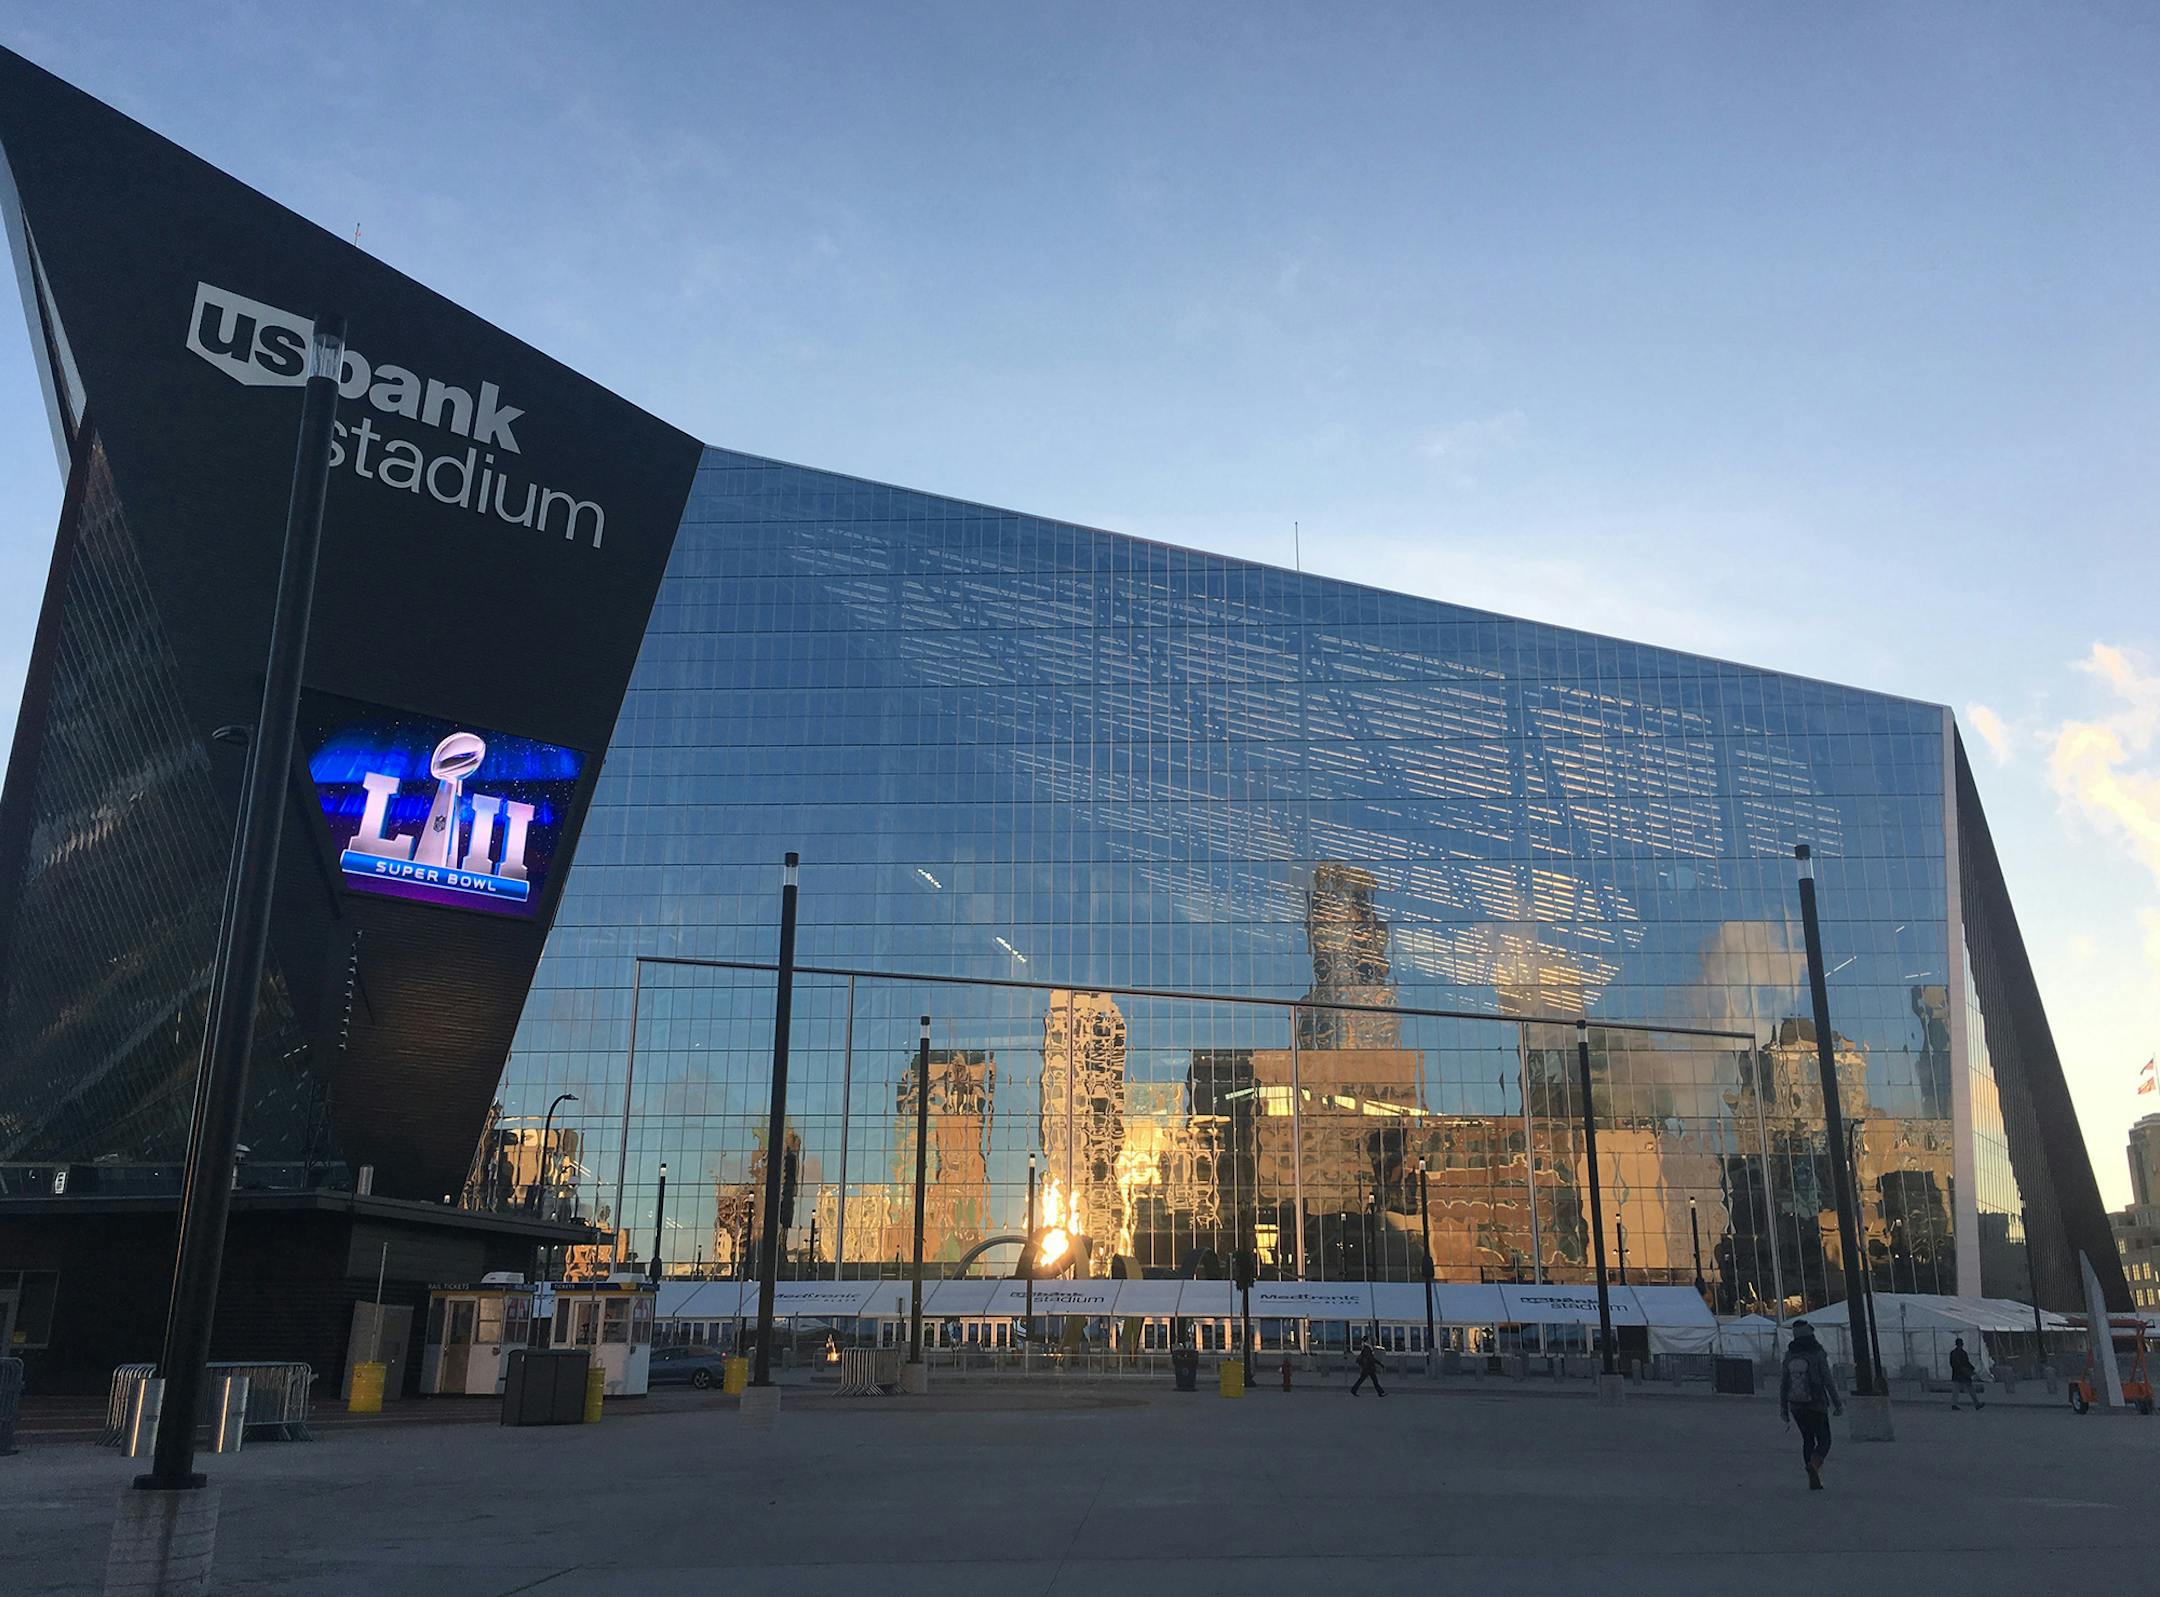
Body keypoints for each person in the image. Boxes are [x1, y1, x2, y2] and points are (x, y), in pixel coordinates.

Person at [1778, 1318, 1843, 1491]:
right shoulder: (1817, 1353)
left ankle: (1812, 1476)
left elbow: (1784, 1383)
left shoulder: (1789, 1355)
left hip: (1796, 1405)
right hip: (1817, 1403)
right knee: (1824, 1440)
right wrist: (1837, 1403)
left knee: (1807, 1439)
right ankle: (1815, 1464)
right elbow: (1828, 1380)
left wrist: (1784, 1408)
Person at [1948, 1336, 1986, 1410]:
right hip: (1962, 1374)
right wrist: (1970, 1369)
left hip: (1959, 1374)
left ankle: (1955, 1404)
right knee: (1965, 1389)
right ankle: (1976, 1404)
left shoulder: (1955, 1353)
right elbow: (1963, 1363)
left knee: (1958, 1390)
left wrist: (1971, 1368)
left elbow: (1957, 1364)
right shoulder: (1961, 1353)